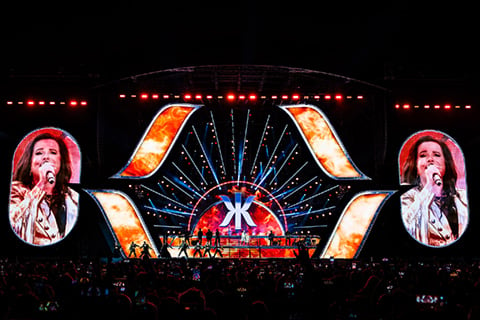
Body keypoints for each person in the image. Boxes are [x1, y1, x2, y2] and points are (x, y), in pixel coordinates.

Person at [9, 132, 79, 246]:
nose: (46, 157)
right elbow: (13, 222)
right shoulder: (15, 190)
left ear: (61, 162)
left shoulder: (73, 197)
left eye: (53, 152)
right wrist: (41, 185)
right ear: (29, 163)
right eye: (39, 153)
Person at [400, 135, 468, 247]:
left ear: (446, 163)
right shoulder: (406, 195)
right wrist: (428, 188)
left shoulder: (462, 196)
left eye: (436, 155)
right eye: (423, 155)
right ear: (415, 165)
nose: (430, 159)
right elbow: (408, 226)